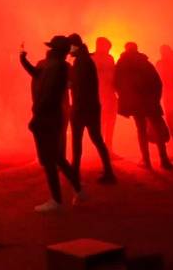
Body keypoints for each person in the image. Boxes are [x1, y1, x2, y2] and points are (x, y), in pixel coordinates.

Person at [20, 36, 83, 211]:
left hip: (47, 117)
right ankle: (79, 189)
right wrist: (23, 60)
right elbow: (36, 73)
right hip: (52, 116)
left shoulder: (55, 67)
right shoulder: (56, 66)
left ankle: (56, 200)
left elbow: (48, 95)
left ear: (55, 50)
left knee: (50, 160)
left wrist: (37, 117)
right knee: (57, 158)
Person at [114, 42, 173, 171]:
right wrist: (156, 99)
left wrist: (125, 99)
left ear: (126, 49)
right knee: (157, 129)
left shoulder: (122, 63)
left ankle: (146, 161)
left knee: (141, 130)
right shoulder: (145, 63)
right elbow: (157, 82)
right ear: (137, 49)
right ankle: (164, 160)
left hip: (135, 103)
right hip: (150, 102)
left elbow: (116, 83)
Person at [67, 35, 115, 183]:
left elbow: (78, 84)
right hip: (92, 106)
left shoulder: (82, 61)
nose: (69, 51)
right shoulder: (86, 59)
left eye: (70, 47)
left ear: (75, 46)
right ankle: (108, 171)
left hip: (82, 107)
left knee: (78, 141)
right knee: (97, 139)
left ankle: (75, 173)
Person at [93, 37, 118, 149]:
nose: (108, 50)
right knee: (102, 122)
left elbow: (113, 75)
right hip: (99, 94)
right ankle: (102, 148)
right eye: (107, 47)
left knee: (111, 121)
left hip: (110, 94)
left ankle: (108, 147)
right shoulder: (92, 58)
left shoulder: (109, 58)